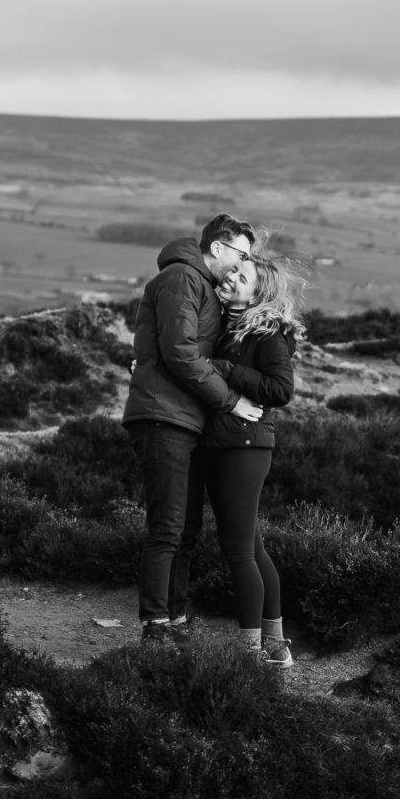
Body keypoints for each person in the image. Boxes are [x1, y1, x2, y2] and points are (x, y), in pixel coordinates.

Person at [121, 214, 261, 642]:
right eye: (240, 254)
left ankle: (175, 617)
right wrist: (231, 400)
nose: (242, 264)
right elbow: (180, 352)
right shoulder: (182, 278)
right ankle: (156, 624)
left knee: (185, 528)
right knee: (167, 527)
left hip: (182, 416)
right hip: (163, 414)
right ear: (217, 249)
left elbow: (171, 347)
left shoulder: (198, 285)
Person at [199, 255, 306, 667]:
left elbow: (281, 389)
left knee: (239, 552)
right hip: (232, 444)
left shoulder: (267, 334)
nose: (230, 278)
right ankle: (275, 646)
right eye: (232, 271)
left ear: (257, 294)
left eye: (241, 278)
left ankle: (248, 652)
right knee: (253, 549)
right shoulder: (232, 326)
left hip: (244, 446)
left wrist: (226, 369)